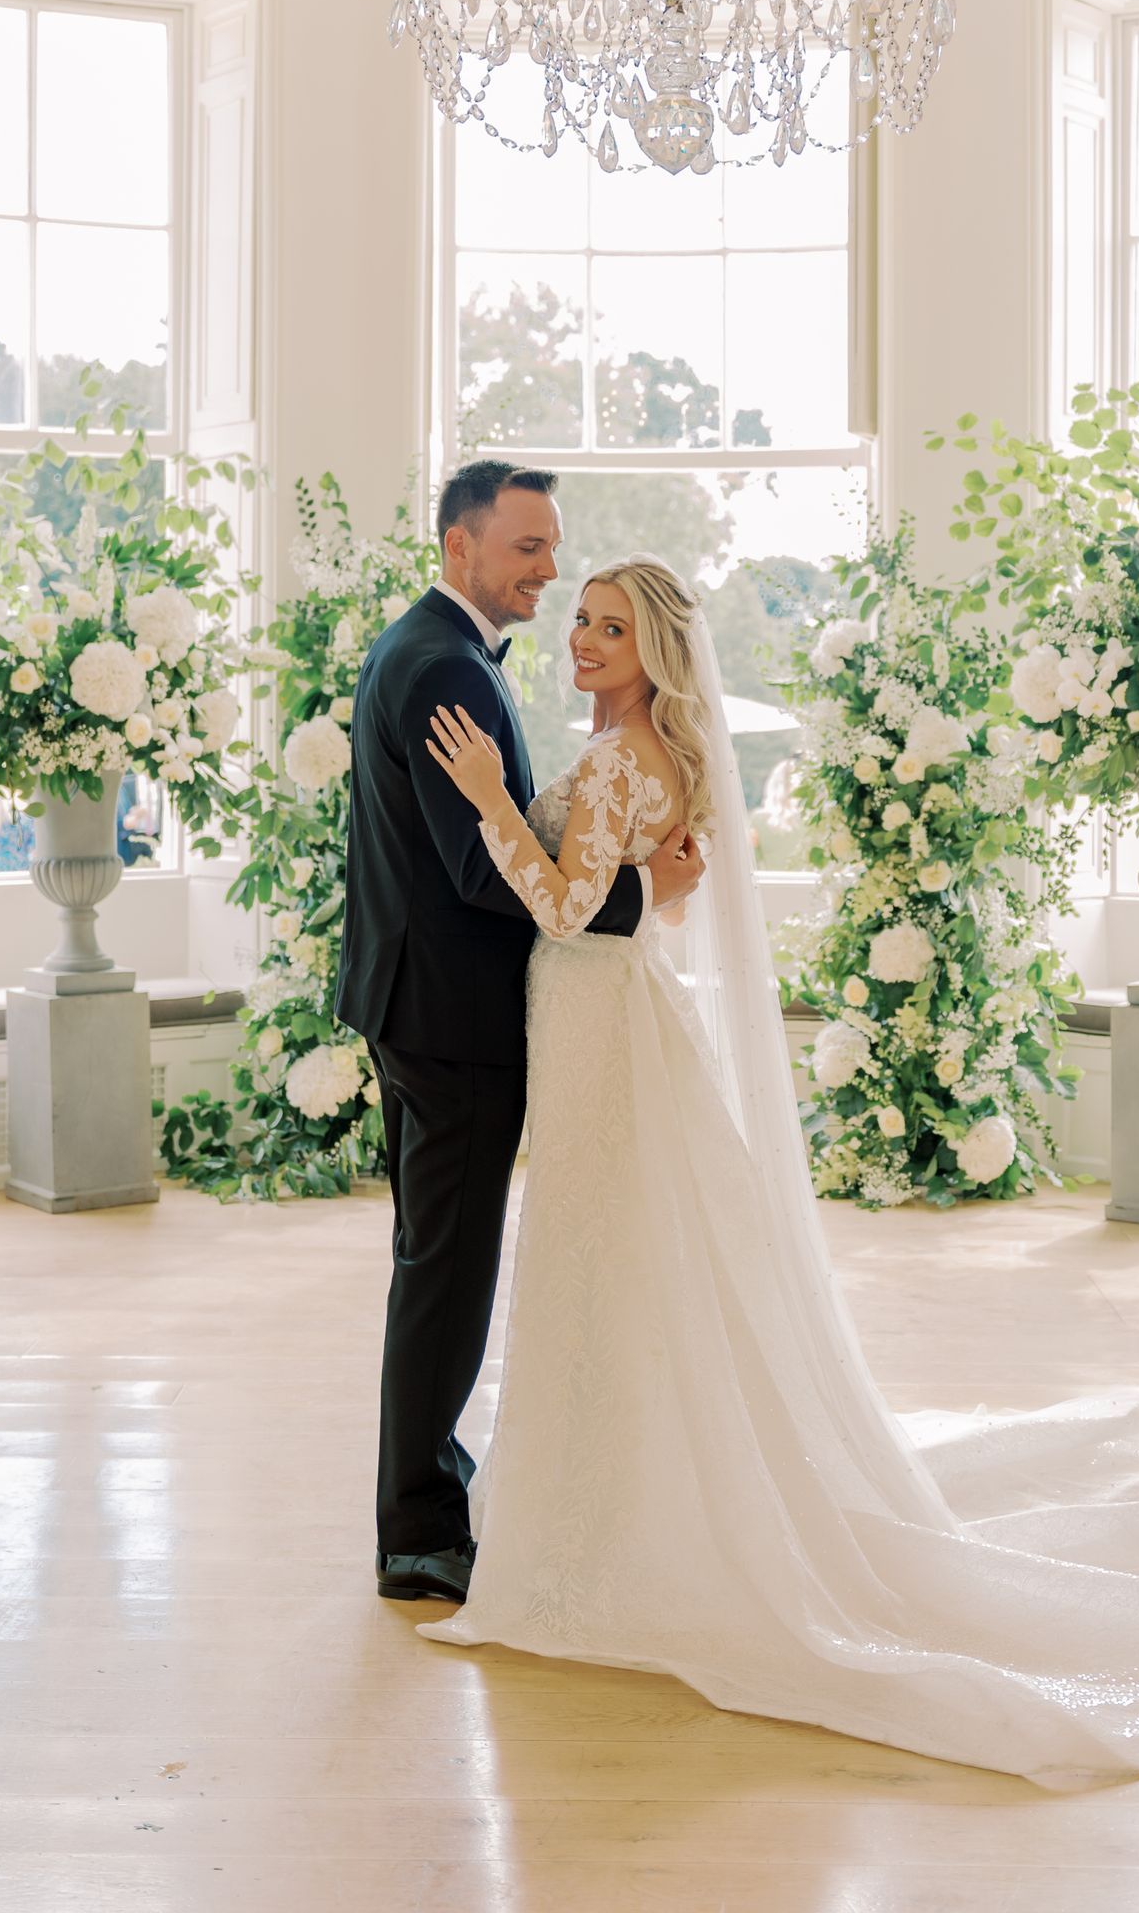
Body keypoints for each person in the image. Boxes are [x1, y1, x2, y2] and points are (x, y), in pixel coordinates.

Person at [413, 555, 1139, 1787]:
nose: (584, 644)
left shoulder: (622, 760)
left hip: (601, 1026)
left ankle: (612, 1522)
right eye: (580, 624)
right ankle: (617, 1500)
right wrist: (618, 868)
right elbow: (650, 903)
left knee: (605, 1257)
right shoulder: (659, 755)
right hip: (613, 1023)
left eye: (611, 629)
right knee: (625, 1264)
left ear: (658, 648)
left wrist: (494, 797)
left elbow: (565, 912)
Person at [336, 462, 704, 1605]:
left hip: (422, 1002)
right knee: (447, 1274)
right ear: (460, 548)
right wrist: (646, 895)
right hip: (453, 1019)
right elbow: (482, 873)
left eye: (557, 551)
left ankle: (436, 1482)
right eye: (528, 550)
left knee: (439, 1266)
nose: (547, 572)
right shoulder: (446, 666)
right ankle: (417, 1533)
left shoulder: (423, 648)